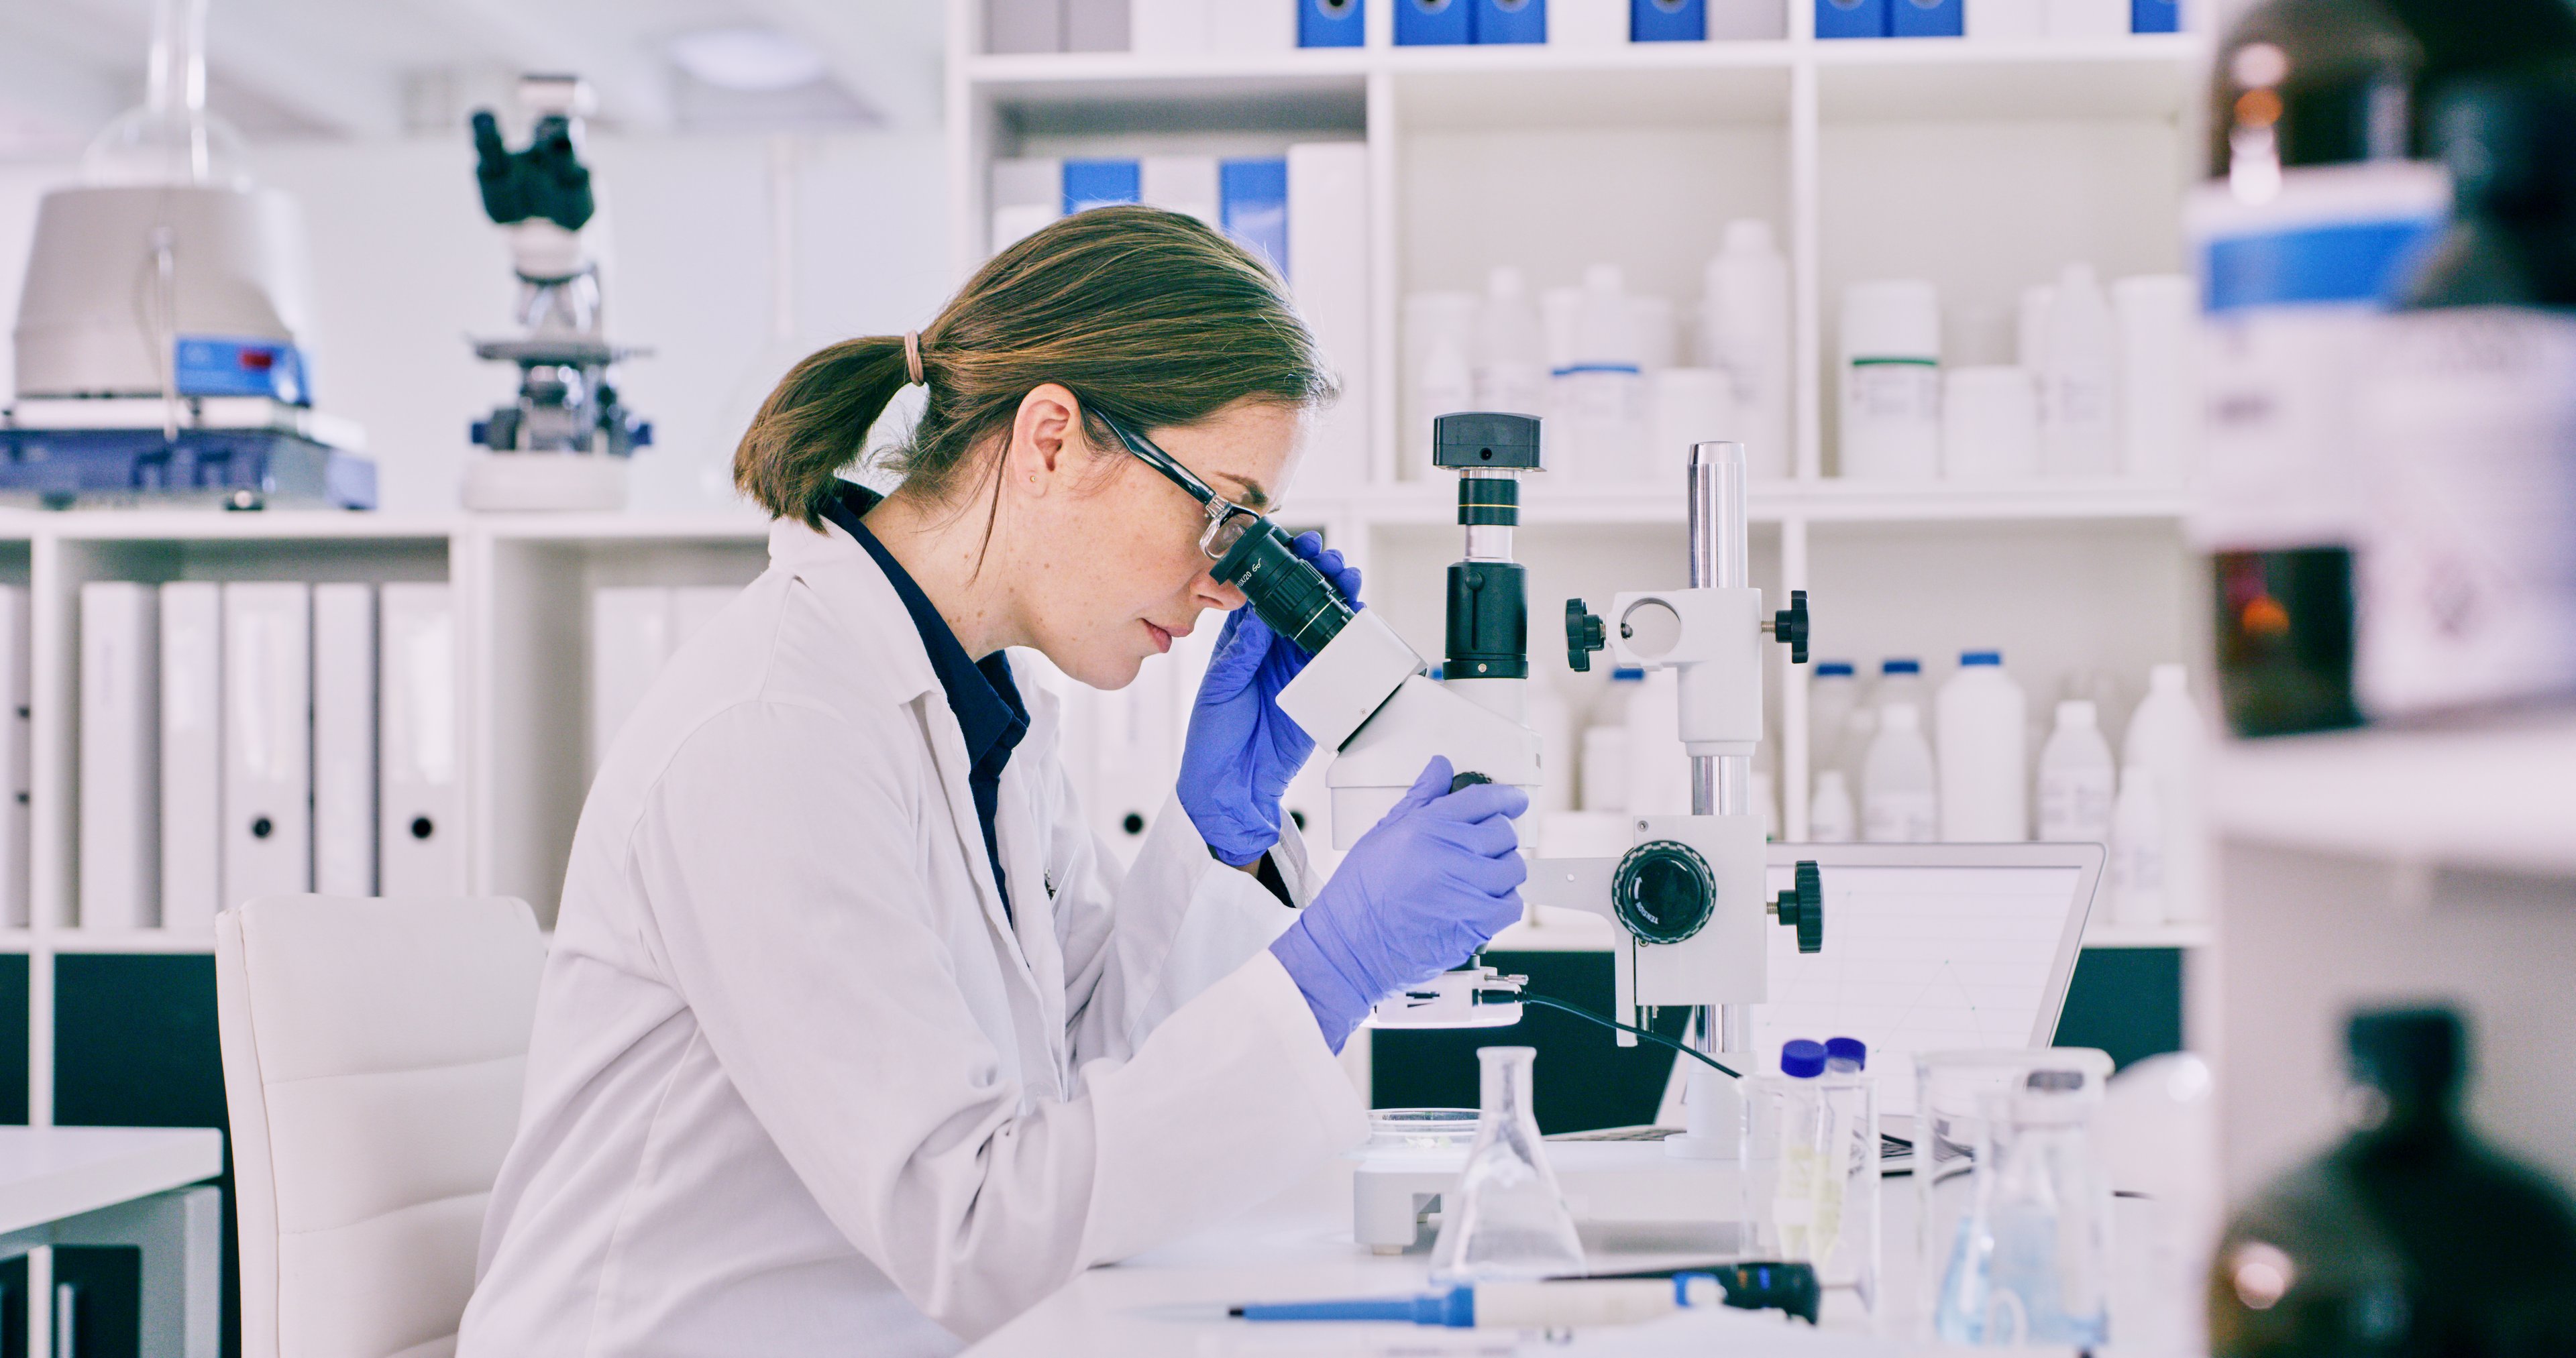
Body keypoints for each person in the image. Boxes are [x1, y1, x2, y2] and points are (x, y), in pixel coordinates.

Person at [458, 207, 1529, 1357]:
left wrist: (1223, 830)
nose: (1229, 585)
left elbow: (1083, 1100)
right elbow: (968, 1226)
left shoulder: (984, 716)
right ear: (1053, 440)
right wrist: (1331, 969)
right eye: (1221, 515)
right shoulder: (777, 733)